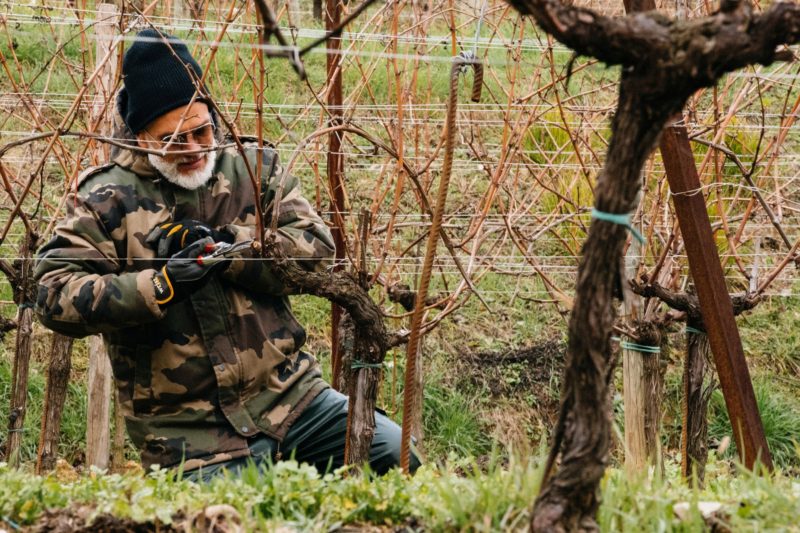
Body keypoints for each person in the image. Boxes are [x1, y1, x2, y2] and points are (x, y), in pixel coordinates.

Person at [34, 28, 419, 480]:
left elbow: (317, 247)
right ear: (141, 137)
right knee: (233, 520)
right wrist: (160, 285)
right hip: (187, 429)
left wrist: (229, 250)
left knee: (398, 458)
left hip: (292, 398)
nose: (196, 150)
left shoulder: (254, 168)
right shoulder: (105, 199)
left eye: (203, 130)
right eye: (175, 140)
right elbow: (51, 293)